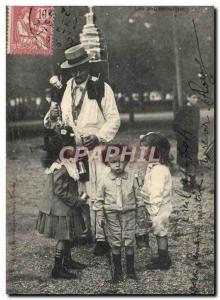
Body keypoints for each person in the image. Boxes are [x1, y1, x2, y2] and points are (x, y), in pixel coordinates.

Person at [44, 44, 121, 255]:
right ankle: (85, 232)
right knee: (80, 191)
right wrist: (51, 119)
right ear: (69, 70)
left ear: (88, 65)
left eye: (82, 68)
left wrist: (98, 136)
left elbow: (114, 120)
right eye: (74, 70)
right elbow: (53, 118)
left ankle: (102, 237)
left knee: (98, 192)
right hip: (73, 150)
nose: (78, 73)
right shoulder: (65, 88)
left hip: (95, 148)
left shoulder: (101, 87)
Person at [36, 126, 86, 279]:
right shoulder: (62, 168)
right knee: (63, 237)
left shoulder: (66, 163)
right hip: (60, 209)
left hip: (64, 208)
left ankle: (68, 260)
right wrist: (77, 201)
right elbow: (60, 192)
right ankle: (57, 267)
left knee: (68, 234)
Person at [94, 144, 146, 282]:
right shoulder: (104, 180)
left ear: (127, 160)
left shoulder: (131, 178)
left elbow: (138, 197)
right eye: (113, 162)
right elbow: (98, 200)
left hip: (129, 213)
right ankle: (117, 270)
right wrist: (99, 216)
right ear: (107, 163)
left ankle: (130, 270)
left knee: (129, 241)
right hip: (111, 215)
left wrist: (141, 212)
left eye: (120, 161)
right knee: (115, 241)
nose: (117, 165)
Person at [140, 132, 172, 270]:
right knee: (158, 232)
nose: (142, 151)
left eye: (145, 148)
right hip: (154, 205)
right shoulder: (152, 166)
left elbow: (156, 193)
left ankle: (164, 260)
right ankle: (162, 256)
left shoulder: (160, 170)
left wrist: (152, 211)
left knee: (160, 232)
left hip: (159, 207)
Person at [173, 94, 200, 190]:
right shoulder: (182, 110)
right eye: (193, 97)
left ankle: (193, 182)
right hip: (183, 140)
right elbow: (175, 125)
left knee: (192, 159)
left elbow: (196, 125)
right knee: (183, 160)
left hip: (193, 140)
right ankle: (184, 183)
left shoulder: (196, 110)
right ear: (188, 97)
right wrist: (181, 137)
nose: (196, 99)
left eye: (197, 98)